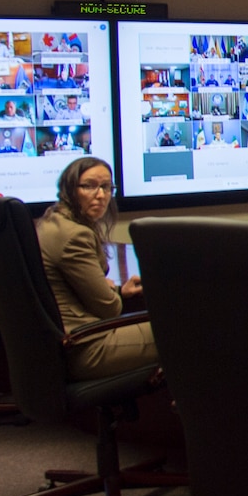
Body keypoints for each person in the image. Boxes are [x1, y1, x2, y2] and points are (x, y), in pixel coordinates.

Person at [37, 157, 157, 380]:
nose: (100, 195)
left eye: (106, 187)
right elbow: (109, 309)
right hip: (86, 348)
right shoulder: (75, 236)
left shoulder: (51, 221)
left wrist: (117, 291)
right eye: (89, 186)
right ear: (70, 189)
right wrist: (111, 293)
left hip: (62, 344)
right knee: (184, 330)